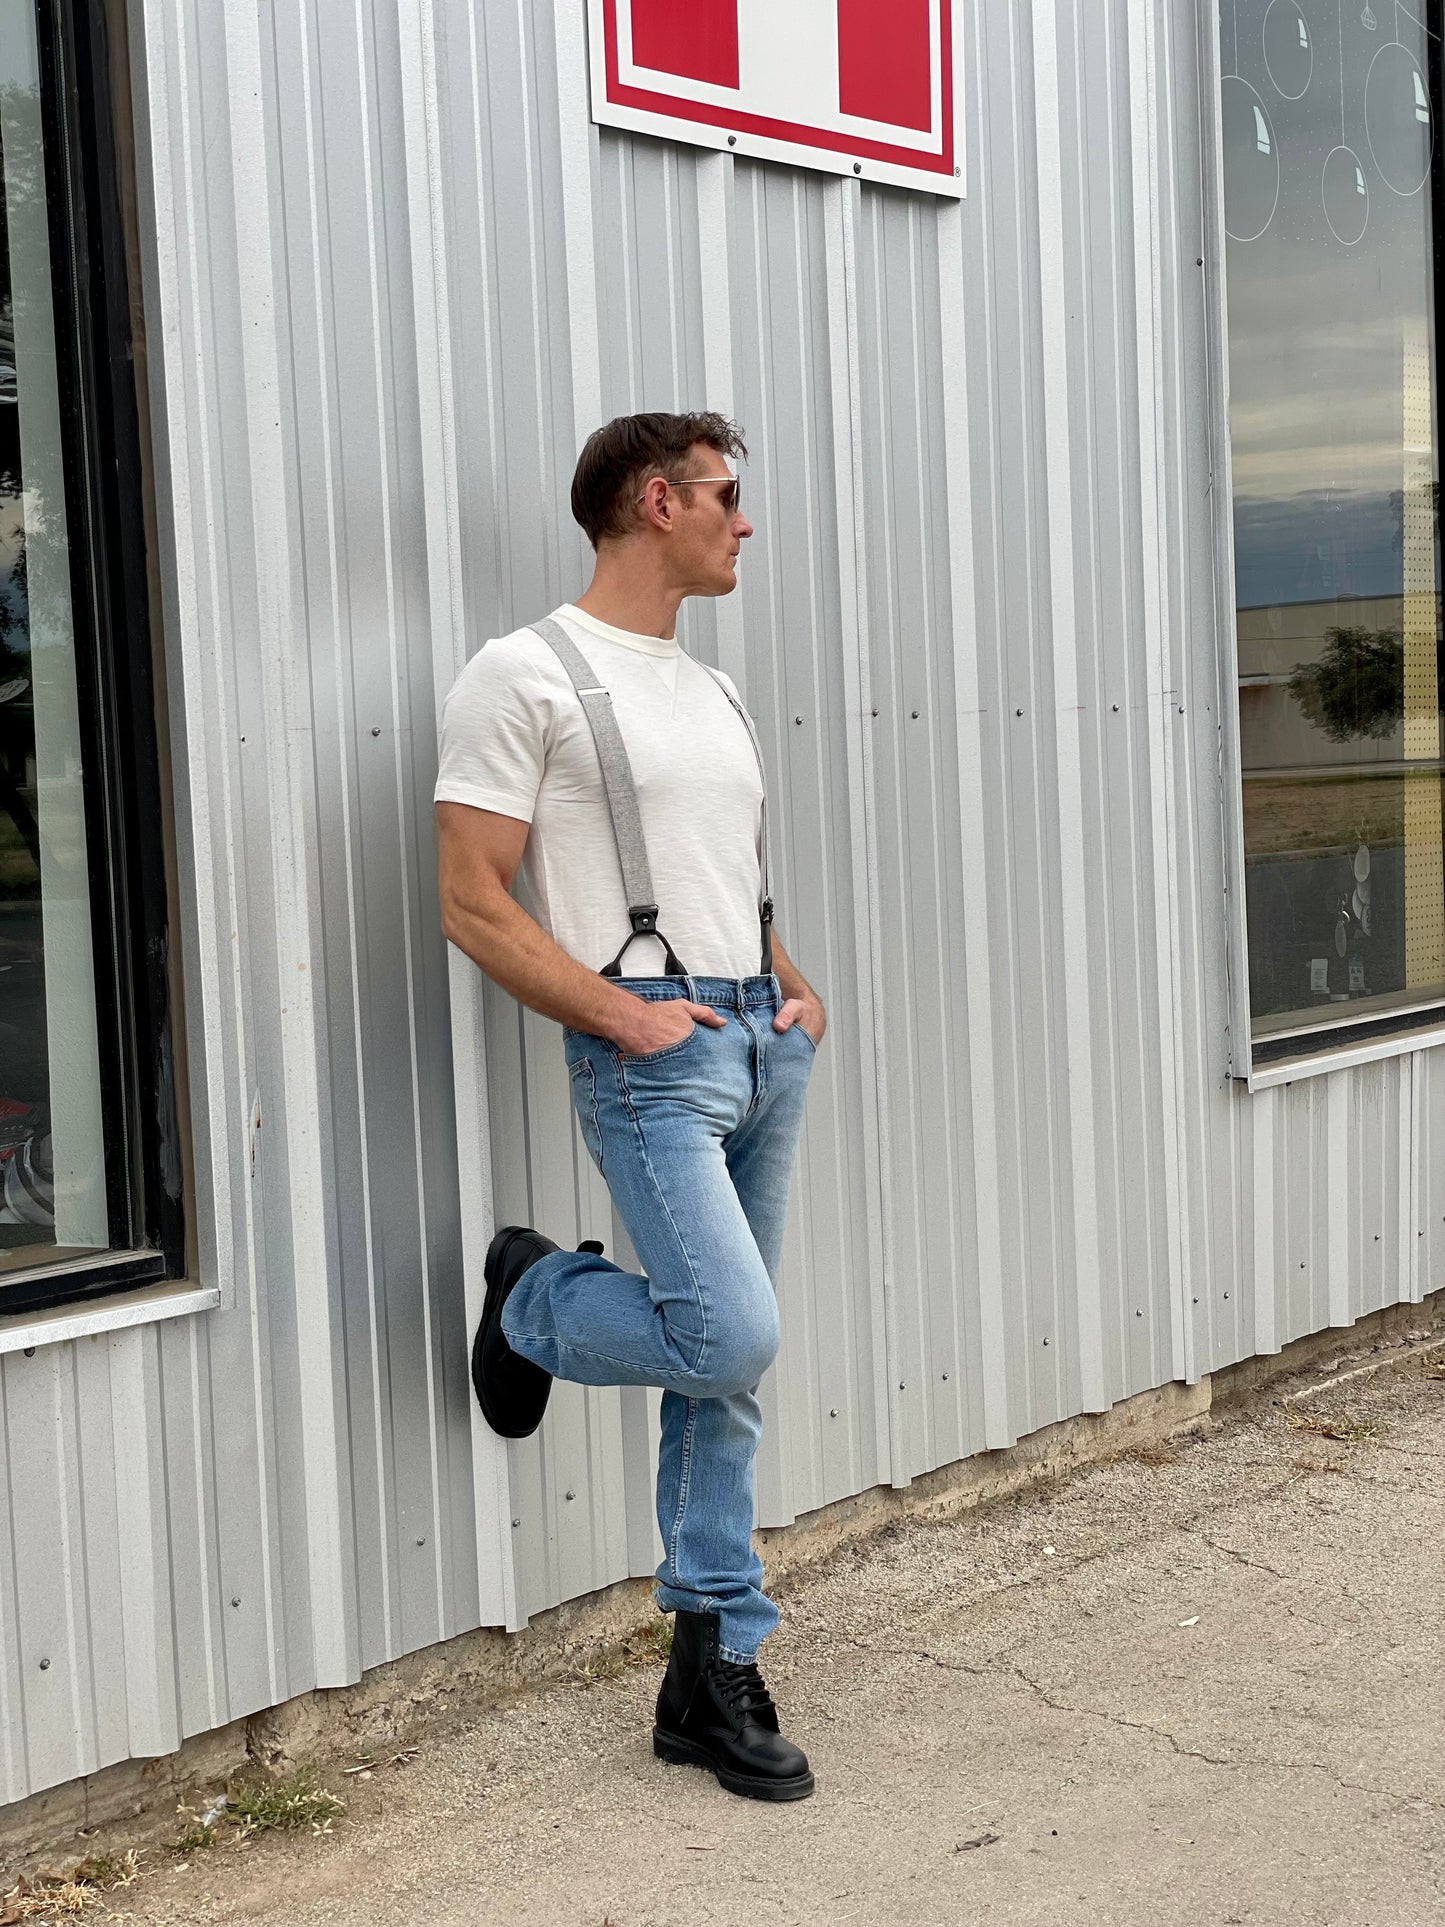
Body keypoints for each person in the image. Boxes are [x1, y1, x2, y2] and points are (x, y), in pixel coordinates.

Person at [434, 411, 825, 1804]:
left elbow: (724, 869)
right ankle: (534, 1298)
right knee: (728, 1330)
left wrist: (790, 989)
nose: (745, 519)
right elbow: (471, 898)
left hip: (756, 1042)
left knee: (727, 1375)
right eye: (728, 493)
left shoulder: (707, 689)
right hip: (645, 1047)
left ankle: (706, 1668)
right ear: (656, 502)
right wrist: (616, 1015)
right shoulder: (524, 673)